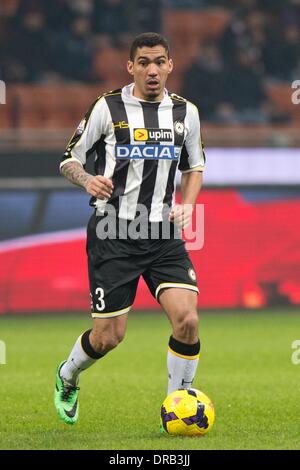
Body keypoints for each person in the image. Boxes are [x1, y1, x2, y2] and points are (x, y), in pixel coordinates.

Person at [55, 32, 205, 426]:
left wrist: (187, 206)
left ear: (171, 65)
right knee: (108, 337)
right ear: (131, 67)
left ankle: (176, 404)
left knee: (188, 321)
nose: (152, 70)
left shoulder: (186, 112)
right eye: (144, 62)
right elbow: (69, 159)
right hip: (113, 231)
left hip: (162, 233)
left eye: (159, 61)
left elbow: (194, 166)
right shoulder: (107, 107)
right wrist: (87, 180)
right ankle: (68, 374)